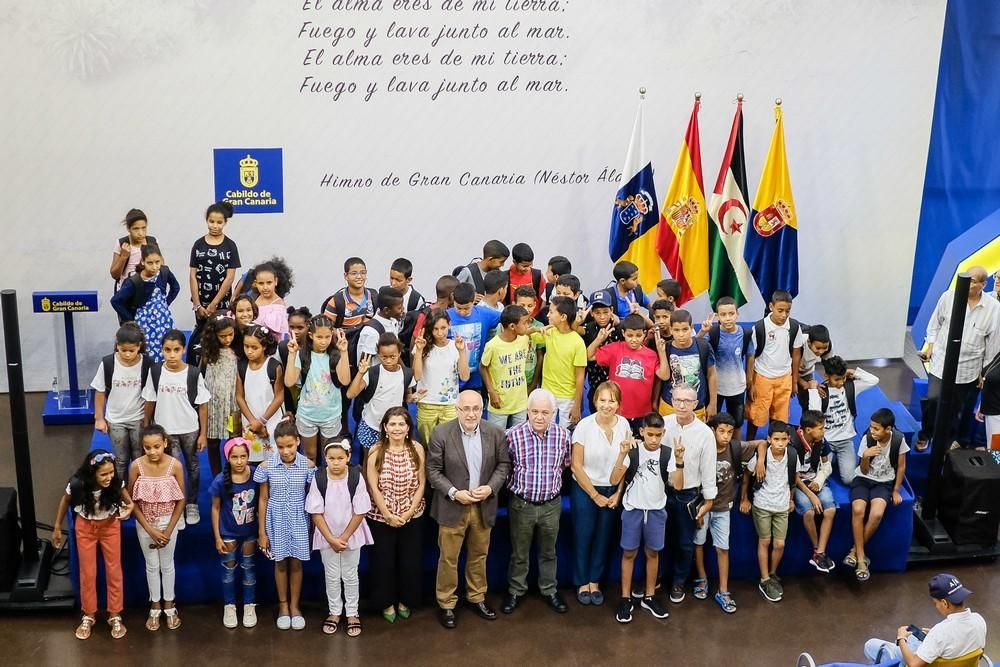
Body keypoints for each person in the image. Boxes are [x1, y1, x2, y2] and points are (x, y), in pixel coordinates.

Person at [426, 390, 511, 629]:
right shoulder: (441, 433)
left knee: (478, 556)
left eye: (476, 408)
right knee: (448, 559)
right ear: (457, 410)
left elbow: (504, 464)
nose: (471, 413)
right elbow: (432, 470)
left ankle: (476, 597)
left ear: (482, 409)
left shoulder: (495, 433)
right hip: (452, 507)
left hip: (482, 506)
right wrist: (454, 492)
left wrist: (491, 488)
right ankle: (446, 604)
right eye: (466, 409)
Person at [502, 388, 572, 615]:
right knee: (519, 553)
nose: (539, 417)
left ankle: (549, 589)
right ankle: (515, 591)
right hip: (521, 505)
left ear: (553, 412)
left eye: (545, 412)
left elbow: (565, 465)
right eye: (534, 411)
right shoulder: (512, 435)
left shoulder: (563, 436)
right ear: (527, 411)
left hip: (551, 505)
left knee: (549, 552)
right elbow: (505, 467)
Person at [51, 449, 133, 640]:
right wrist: (56, 527)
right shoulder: (78, 484)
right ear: (92, 473)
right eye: (103, 474)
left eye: (111, 472)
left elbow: (129, 503)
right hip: (85, 527)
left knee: (114, 570)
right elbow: (65, 501)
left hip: (110, 526)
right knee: (88, 572)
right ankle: (89, 614)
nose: (108, 477)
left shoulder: (115, 483)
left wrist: (127, 511)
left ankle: (115, 614)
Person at [918, 266, 1000, 451]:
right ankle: (926, 434)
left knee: (955, 409)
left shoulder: (993, 309)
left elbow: (993, 344)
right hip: (941, 364)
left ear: (982, 284)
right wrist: (930, 346)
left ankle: (949, 445)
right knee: (933, 399)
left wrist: (983, 372)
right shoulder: (948, 297)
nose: (965, 283)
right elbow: (934, 325)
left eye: (972, 281)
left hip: (968, 371)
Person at [610, 412, 674, 623]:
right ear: (642, 432)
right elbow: (614, 479)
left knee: (653, 554)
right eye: (650, 435)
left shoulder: (668, 453)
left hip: (656, 511)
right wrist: (621, 454)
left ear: (663, 433)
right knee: (629, 553)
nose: (654, 440)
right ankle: (626, 598)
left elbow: (679, 485)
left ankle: (649, 596)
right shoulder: (633, 452)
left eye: (658, 435)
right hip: (633, 510)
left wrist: (680, 462)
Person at [141, 329, 211, 524]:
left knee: (193, 466)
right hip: (165, 430)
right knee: (172, 469)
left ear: (184, 349)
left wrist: (203, 433)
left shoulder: (193, 373)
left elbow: (203, 405)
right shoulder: (155, 372)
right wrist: (146, 426)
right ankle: (175, 506)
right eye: (167, 350)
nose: (172, 355)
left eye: (176, 349)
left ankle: (192, 504)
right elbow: (150, 401)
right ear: (161, 350)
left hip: (189, 428)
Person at [306, 439, 374, 638]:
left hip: (351, 535)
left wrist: (343, 537)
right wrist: (331, 539)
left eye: (340, 458)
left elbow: (360, 510)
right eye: (331, 458)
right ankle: (335, 611)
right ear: (325, 459)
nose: (335, 463)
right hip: (327, 536)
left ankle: (352, 613)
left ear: (348, 457)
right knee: (332, 575)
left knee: (351, 575)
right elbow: (315, 512)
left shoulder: (355, 477)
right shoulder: (319, 478)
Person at [570, 381, 629, 606]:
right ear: (594, 401)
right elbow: (576, 465)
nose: (607, 405)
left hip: (612, 490)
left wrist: (619, 493)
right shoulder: (584, 426)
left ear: (618, 404)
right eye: (602, 400)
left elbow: (625, 462)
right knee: (584, 535)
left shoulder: (623, 424)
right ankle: (582, 581)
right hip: (586, 489)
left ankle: (595, 581)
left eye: (612, 401)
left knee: (604, 537)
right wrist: (595, 495)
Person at [366, 407, 426, 624]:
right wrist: (388, 514)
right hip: (382, 518)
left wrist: (410, 511)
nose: (397, 428)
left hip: (412, 516)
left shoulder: (417, 449)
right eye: (392, 424)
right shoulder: (376, 450)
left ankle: (406, 600)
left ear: (408, 427)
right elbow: (373, 487)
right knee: (384, 562)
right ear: (385, 427)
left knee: (409, 561)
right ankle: (386, 602)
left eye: (401, 424)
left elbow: (421, 484)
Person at [254, 419, 316, 631]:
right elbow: (263, 499)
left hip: (299, 518)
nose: (285, 451)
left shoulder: (308, 467)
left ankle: (295, 606)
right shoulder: (266, 466)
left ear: (298, 441)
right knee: (280, 563)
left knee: (297, 564)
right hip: (276, 518)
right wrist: (262, 531)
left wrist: (313, 528)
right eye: (280, 447)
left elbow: (312, 498)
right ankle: (283, 607)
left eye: (289, 445)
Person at [696, 413, 759, 614]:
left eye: (730, 432)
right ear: (712, 430)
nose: (726, 436)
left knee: (723, 548)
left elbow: (762, 443)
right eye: (721, 431)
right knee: (698, 543)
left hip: (723, 508)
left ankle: (723, 590)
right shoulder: (702, 449)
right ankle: (702, 579)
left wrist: (761, 461)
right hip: (702, 507)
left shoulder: (735, 447)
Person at [662, 383, 718, 605]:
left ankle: (678, 581)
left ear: (696, 404)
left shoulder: (705, 433)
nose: (682, 405)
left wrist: (708, 501)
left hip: (689, 495)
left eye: (687, 401)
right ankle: (656, 579)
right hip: (663, 492)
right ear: (671, 400)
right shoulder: (664, 425)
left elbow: (708, 468)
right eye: (677, 400)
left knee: (685, 542)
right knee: (660, 539)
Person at [128, 424, 186, 631]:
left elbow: (181, 500)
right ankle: (155, 605)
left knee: (167, 564)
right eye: (147, 448)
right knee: (151, 565)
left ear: (165, 444)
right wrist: (150, 529)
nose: (152, 452)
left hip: (168, 522)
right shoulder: (136, 466)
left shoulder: (175, 466)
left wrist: (169, 530)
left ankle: (170, 605)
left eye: (156, 446)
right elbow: (131, 500)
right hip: (145, 524)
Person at [863, 573, 987, 665]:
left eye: (935, 603)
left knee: (871, 645)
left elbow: (913, 664)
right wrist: (933, 635)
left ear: (944, 603)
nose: (936, 606)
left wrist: (901, 638)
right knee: (913, 638)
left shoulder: (941, 631)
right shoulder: (979, 620)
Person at [847, 408, 909, 582]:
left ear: (888, 429)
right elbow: (864, 470)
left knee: (877, 513)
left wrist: (896, 489)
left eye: (876, 429)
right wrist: (866, 457)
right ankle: (861, 560)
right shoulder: (867, 439)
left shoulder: (898, 439)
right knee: (858, 509)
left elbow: (902, 466)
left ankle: (854, 551)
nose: (872, 431)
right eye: (871, 427)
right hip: (863, 478)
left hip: (884, 482)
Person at [283, 315, 351, 464]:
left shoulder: (336, 354)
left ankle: (326, 483)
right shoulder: (303, 354)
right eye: (319, 337)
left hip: (331, 414)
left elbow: (345, 380)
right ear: (311, 335)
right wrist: (292, 354)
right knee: (310, 455)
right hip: (307, 414)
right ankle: (311, 483)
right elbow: (289, 382)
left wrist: (344, 352)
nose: (323, 341)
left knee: (329, 454)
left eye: (327, 337)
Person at [321, 256, 379, 433]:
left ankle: (363, 433)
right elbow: (325, 328)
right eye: (354, 273)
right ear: (345, 276)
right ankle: (343, 434)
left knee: (365, 397)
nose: (359, 277)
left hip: (367, 358)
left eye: (362, 272)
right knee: (343, 399)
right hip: (345, 357)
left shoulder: (374, 297)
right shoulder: (336, 301)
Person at [740, 421, 796, 603]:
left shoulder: (793, 456)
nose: (780, 443)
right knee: (765, 541)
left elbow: (793, 479)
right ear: (769, 439)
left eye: (784, 439)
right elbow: (747, 476)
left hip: (781, 506)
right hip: (762, 504)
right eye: (776, 439)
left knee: (779, 544)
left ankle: (772, 573)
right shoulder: (760, 457)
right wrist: (744, 498)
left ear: (789, 439)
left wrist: (791, 499)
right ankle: (764, 579)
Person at [589, 313, 670, 434]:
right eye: (629, 335)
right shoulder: (615, 348)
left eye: (638, 335)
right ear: (623, 333)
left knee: (637, 449)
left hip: (642, 414)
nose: (634, 339)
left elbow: (664, 375)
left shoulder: (651, 355)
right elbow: (589, 356)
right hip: (616, 412)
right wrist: (599, 340)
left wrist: (661, 352)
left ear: (644, 333)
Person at [208, 437, 259, 629]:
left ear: (248, 456)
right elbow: (215, 508)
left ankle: (249, 605)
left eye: (243, 456)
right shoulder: (221, 480)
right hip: (228, 533)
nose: (239, 461)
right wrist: (217, 537)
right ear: (227, 457)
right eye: (234, 457)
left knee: (249, 569)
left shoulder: (255, 475)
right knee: (228, 572)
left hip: (250, 533)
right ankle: (229, 606)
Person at [91, 322, 151, 480]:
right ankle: (122, 494)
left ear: (139, 346)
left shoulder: (147, 364)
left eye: (132, 350)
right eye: (123, 350)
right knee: (121, 460)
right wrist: (99, 418)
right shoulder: (108, 363)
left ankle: (139, 491)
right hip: (116, 419)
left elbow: (152, 394)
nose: (128, 354)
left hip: (138, 418)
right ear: (117, 346)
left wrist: (148, 420)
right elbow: (100, 391)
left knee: (140, 458)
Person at [807, 356, 880, 483]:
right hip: (825, 442)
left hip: (845, 441)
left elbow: (874, 380)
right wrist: (813, 390)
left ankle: (838, 459)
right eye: (836, 379)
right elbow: (814, 413)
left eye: (843, 378)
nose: (841, 382)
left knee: (849, 479)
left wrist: (853, 371)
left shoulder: (850, 387)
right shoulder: (821, 391)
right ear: (826, 376)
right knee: (819, 475)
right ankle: (831, 459)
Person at [346, 333, 423, 453]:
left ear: (399, 353)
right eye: (384, 357)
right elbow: (350, 394)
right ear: (379, 355)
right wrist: (360, 373)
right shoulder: (372, 373)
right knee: (369, 458)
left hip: (394, 427)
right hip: (371, 425)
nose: (388, 360)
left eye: (392, 357)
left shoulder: (406, 374)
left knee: (392, 457)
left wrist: (412, 397)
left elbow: (406, 396)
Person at [746, 290, 805, 440]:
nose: (784, 315)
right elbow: (751, 357)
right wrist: (751, 383)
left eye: (788, 311)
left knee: (780, 416)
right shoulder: (760, 328)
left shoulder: (794, 326)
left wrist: (794, 381)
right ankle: (750, 444)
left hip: (784, 378)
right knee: (756, 414)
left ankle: (774, 444)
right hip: (763, 377)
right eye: (780, 310)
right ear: (771, 306)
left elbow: (796, 353)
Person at [188, 201, 240, 366]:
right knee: (204, 342)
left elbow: (230, 277)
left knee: (222, 340)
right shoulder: (198, 244)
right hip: (201, 307)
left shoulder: (230, 246)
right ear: (207, 220)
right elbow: (193, 274)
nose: (215, 225)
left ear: (225, 222)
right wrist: (197, 304)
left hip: (221, 305)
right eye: (211, 221)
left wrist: (214, 304)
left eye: (219, 222)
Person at [110, 244, 179, 361]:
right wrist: (131, 320)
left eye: (157, 262)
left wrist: (165, 304)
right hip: (144, 325)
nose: (154, 266)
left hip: (164, 323)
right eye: (150, 263)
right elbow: (116, 301)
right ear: (142, 262)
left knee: (166, 352)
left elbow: (175, 287)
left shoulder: (164, 272)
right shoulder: (134, 281)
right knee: (147, 356)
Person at [789, 410, 837, 574]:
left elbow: (826, 465)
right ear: (808, 430)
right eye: (821, 428)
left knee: (830, 510)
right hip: (798, 483)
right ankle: (817, 549)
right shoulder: (793, 443)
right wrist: (811, 495)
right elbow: (792, 477)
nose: (824, 431)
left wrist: (819, 481)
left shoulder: (821, 441)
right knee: (808, 512)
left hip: (815, 480)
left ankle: (820, 553)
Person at [412, 309, 469, 444]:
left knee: (450, 444)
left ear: (449, 325)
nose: (440, 333)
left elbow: (465, 376)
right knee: (428, 444)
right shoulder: (423, 346)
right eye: (435, 329)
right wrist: (419, 351)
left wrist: (461, 351)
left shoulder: (455, 346)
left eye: (443, 328)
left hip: (450, 404)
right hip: (427, 402)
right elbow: (417, 376)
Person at [698, 297, 754, 428]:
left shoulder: (745, 334)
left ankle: (735, 447)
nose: (728, 318)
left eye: (731, 313)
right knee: (711, 422)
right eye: (723, 314)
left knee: (736, 424)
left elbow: (751, 356)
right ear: (717, 316)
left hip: (737, 387)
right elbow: (695, 345)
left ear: (737, 314)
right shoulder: (712, 333)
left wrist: (749, 378)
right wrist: (703, 331)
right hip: (715, 389)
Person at [480, 304, 536, 430]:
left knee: (519, 437)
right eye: (525, 323)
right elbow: (483, 367)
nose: (528, 325)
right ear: (512, 326)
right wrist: (491, 392)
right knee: (497, 437)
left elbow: (527, 331)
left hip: (520, 402)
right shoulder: (493, 345)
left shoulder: (524, 338)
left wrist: (536, 330)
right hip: (500, 402)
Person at [236, 324, 286, 462]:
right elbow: (239, 396)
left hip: (271, 420)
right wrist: (254, 422)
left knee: (274, 457)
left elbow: (279, 396)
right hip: (250, 421)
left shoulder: (273, 366)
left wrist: (262, 421)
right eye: (246, 346)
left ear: (264, 346)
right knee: (253, 457)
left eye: (254, 347)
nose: (249, 351)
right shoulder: (241, 367)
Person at [200, 313, 239, 477]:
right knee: (213, 442)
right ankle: (217, 475)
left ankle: (233, 474)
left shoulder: (237, 351)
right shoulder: (209, 353)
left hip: (232, 406)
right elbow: (202, 376)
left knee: (233, 439)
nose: (227, 339)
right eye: (222, 336)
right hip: (214, 407)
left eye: (230, 334)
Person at [448, 282, 502, 396]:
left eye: (467, 308)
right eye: (459, 308)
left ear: (474, 301)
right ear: (453, 300)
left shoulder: (484, 314)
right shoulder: (445, 316)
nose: (462, 312)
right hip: (451, 379)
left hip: (476, 379)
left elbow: (507, 317)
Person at [542, 296, 588, 429]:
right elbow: (525, 333)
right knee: (544, 429)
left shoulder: (578, 342)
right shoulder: (549, 332)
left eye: (551, 312)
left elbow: (580, 377)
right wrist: (536, 330)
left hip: (568, 397)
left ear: (563, 317)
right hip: (547, 393)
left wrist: (577, 405)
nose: (547, 315)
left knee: (565, 435)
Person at [661, 309, 717, 419]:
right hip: (670, 405)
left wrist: (713, 403)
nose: (681, 334)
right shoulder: (666, 348)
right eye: (676, 330)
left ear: (691, 328)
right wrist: (654, 401)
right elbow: (660, 379)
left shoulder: (703, 346)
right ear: (671, 330)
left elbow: (712, 375)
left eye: (685, 329)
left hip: (696, 406)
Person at [578, 291, 622, 412]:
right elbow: (573, 328)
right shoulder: (589, 328)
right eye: (597, 313)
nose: (602, 316)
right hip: (595, 383)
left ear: (611, 310)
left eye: (605, 312)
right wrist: (579, 321)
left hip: (617, 383)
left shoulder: (620, 329)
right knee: (596, 414)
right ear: (591, 313)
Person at [110, 208, 158, 297]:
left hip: (148, 292)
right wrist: (123, 257)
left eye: (144, 228)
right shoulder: (122, 243)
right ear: (128, 228)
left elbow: (161, 267)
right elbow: (114, 274)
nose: (140, 233)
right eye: (136, 229)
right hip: (127, 293)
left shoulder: (152, 242)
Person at [278, 305, 312, 415]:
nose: (295, 331)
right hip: (290, 391)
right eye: (291, 327)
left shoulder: (313, 348)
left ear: (308, 326)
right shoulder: (283, 347)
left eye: (300, 328)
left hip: (310, 394)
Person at [357, 286, 404, 361]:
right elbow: (363, 363)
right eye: (399, 308)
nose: (402, 310)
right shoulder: (372, 333)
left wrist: (405, 371)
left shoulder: (393, 322)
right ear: (386, 310)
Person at [251, 260, 294, 341]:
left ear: (276, 281)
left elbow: (280, 332)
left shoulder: (278, 305)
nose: (265, 287)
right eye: (261, 283)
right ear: (255, 284)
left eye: (269, 283)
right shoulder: (254, 300)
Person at [513, 286, 546, 389]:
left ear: (535, 305)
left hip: (530, 379)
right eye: (522, 305)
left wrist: (533, 384)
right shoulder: (507, 325)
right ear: (514, 304)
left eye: (530, 305)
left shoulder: (539, 326)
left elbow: (540, 355)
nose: (526, 309)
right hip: (511, 379)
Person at [795, 324, 833, 409]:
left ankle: (807, 419)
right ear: (809, 342)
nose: (821, 352)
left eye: (824, 348)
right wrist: (803, 383)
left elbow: (829, 366)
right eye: (818, 348)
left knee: (807, 400)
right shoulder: (799, 344)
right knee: (783, 398)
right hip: (788, 370)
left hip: (806, 371)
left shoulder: (828, 347)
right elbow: (788, 368)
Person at [505, 242, 546, 316]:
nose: (528, 268)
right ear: (515, 262)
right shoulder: (505, 277)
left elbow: (543, 298)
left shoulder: (537, 275)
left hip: (533, 319)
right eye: (524, 266)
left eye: (530, 264)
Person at [976, 348, 1000, 450]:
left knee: (996, 455)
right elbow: (988, 377)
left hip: (997, 416)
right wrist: (982, 405)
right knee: (993, 451)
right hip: (991, 412)